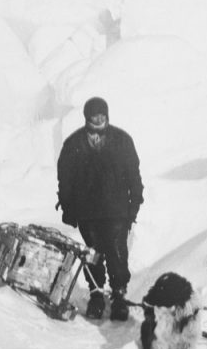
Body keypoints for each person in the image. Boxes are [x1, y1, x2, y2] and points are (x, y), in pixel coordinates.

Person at [56, 97, 144, 320]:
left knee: (116, 252)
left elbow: (134, 174)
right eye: (94, 117)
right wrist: (68, 206)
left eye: (102, 116)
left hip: (116, 210)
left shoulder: (122, 140)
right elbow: (65, 178)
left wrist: (135, 203)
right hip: (87, 211)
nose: (98, 120)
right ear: (87, 118)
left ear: (107, 115)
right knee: (93, 253)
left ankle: (119, 296)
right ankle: (96, 295)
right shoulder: (74, 143)